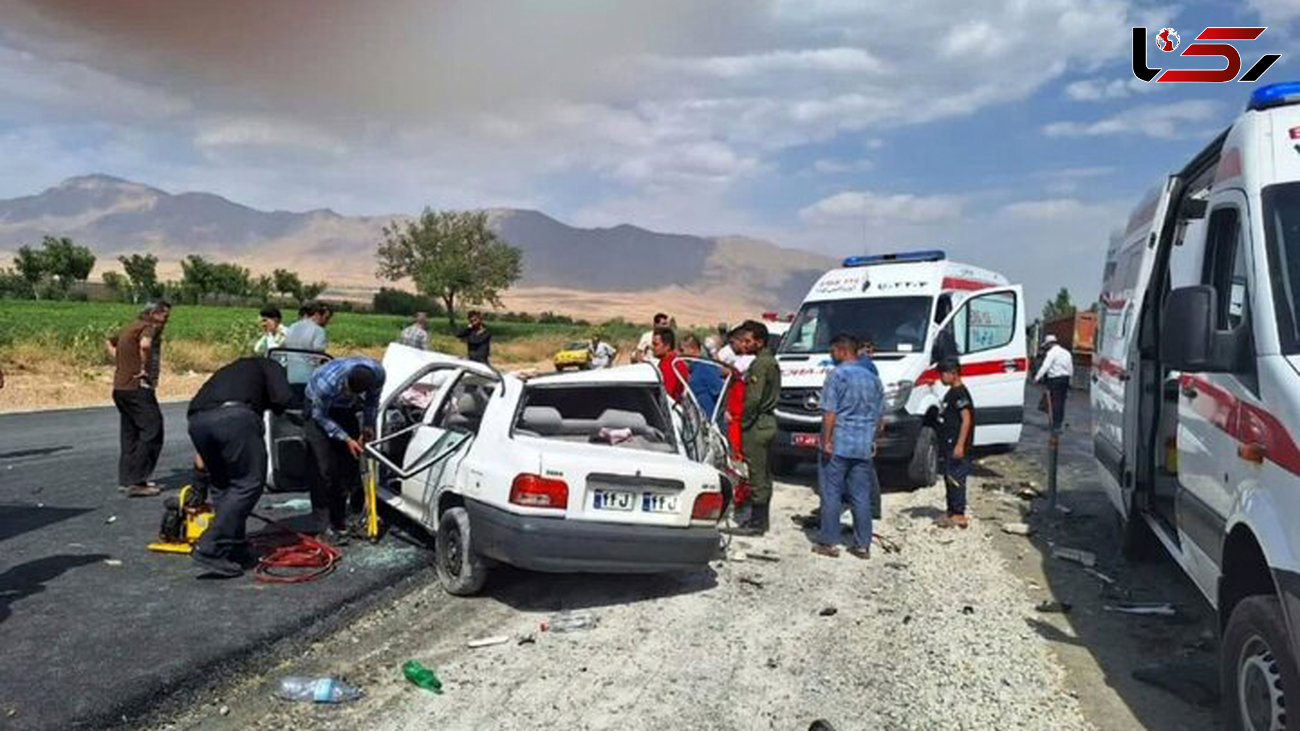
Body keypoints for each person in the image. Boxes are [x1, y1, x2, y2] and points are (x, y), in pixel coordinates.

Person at [186, 357, 294, 577]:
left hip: (197, 420)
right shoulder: (272, 366)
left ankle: (232, 546)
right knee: (248, 483)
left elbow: (202, 458)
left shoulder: (232, 370)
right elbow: (283, 398)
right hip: (235, 418)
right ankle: (211, 546)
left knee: (224, 484)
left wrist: (198, 482)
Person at [813, 334, 884, 559]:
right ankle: (862, 545)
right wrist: (871, 439)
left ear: (842, 351)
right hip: (863, 447)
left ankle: (829, 542)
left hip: (838, 444)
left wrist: (826, 440)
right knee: (861, 496)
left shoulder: (838, 375)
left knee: (831, 493)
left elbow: (830, 413)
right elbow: (881, 419)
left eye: (832, 352)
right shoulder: (873, 379)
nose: (831, 356)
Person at [303, 356, 386, 544]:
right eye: (348, 391)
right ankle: (323, 526)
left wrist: (368, 426)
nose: (350, 394)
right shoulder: (327, 383)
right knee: (323, 468)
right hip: (319, 410)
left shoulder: (378, 375)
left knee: (348, 463)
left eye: (356, 394)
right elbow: (320, 416)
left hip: (344, 410)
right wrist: (346, 438)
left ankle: (339, 519)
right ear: (345, 380)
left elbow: (372, 403)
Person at [107, 300, 171, 497]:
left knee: (130, 433)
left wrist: (122, 362)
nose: (166, 320)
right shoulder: (148, 328)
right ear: (154, 314)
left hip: (121, 388)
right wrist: (142, 369)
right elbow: (145, 345)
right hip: (138, 388)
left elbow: (109, 341)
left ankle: (127, 480)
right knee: (153, 429)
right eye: (164, 315)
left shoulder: (131, 327)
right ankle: (137, 481)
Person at [727, 320, 781, 536]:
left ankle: (757, 522)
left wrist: (745, 422)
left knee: (757, 474)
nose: (745, 344)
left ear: (759, 342)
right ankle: (761, 518)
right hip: (767, 422)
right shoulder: (770, 361)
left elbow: (753, 398)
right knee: (765, 473)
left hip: (757, 423)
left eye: (749, 341)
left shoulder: (760, 364)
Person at [936, 357, 974, 529]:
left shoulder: (960, 393)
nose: (940, 378)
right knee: (949, 476)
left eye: (943, 374)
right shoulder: (951, 392)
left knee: (957, 477)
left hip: (956, 443)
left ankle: (959, 513)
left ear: (953, 373)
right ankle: (951, 510)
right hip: (948, 441)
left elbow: (966, 419)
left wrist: (960, 444)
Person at [1035, 334, 1073, 431]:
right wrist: (1070, 381)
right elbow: (1070, 368)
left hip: (1054, 380)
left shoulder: (1051, 353)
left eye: (1047, 345)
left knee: (1053, 402)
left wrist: (1037, 377)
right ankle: (1058, 423)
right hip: (1065, 379)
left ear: (1049, 344)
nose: (1046, 347)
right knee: (1061, 402)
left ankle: (1054, 424)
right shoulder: (1066, 353)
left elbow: (1046, 366)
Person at [681, 334, 723, 418]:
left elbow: (720, 391)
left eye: (682, 350)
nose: (680, 354)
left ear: (692, 349)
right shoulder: (693, 369)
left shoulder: (705, 367)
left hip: (709, 419)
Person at [651, 327, 691, 402]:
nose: (653, 348)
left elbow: (667, 394)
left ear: (667, 346)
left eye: (656, 344)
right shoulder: (675, 361)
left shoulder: (669, 365)